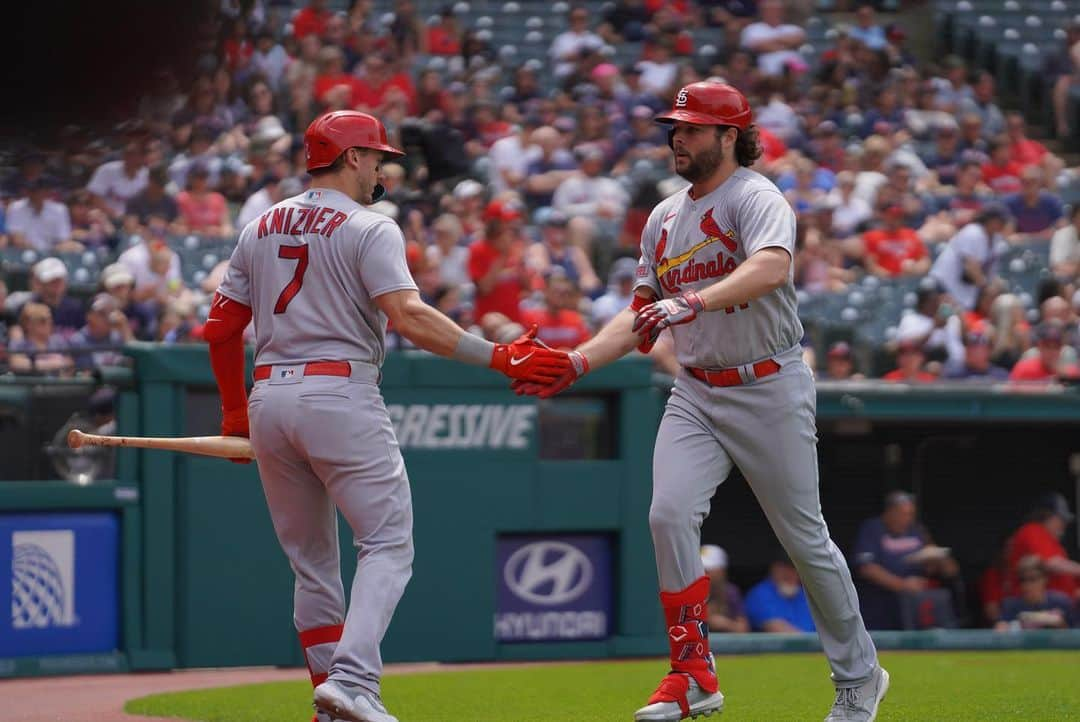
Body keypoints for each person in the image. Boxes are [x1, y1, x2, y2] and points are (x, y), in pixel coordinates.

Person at [513, 82, 887, 722]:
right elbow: (639, 317)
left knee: (804, 540)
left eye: (690, 127)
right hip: (696, 388)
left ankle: (858, 677)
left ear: (729, 135)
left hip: (768, 384)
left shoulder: (755, 195)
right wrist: (577, 361)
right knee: (667, 515)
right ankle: (693, 674)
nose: (676, 137)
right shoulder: (663, 217)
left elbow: (771, 266)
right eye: (674, 127)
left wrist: (693, 299)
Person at [205, 111, 571, 722]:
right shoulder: (369, 227)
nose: (381, 167)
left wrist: (235, 414)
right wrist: (500, 355)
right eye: (375, 157)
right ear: (351, 158)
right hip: (338, 392)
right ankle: (352, 681)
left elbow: (220, 329)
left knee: (313, 567)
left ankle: (330, 701)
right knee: (387, 543)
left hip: (270, 395)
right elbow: (410, 317)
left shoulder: (259, 225)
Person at [852, 492, 960, 630]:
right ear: (889, 512)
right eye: (902, 514)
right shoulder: (872, 529)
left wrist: (937, 561)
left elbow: (949, 570)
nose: (907, 519)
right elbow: (866, 568)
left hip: (913, 611)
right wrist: (902, 585)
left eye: (910, 514)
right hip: (880, 610)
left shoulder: (916, 531)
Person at [929, 204, 1009, 312]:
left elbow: (991, 273)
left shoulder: (996, 239)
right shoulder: (973, 232)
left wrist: (994, 286)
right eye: (1000, 221)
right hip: (943, 286)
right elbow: (970, 267)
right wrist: (986, 287)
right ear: (990, 220)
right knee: (948, 320)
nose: (1003, 224)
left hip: (963, 291)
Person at [1003, 492, 1080, 604]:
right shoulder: (1032, 530)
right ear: (1046, 516)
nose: (1064, 525)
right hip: (1031, 607)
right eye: (1061, 519)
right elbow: (1051, 563)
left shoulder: (1054, 543)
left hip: (1061, 609)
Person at [994, 555, 1075, 632]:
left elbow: (1075, 634)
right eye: (1023, 580)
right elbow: (1000, 631)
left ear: (1045, 578)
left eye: (1032, 579)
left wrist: (1060, 624)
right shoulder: (1011, 605)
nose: (1027, 585)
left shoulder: (1061, 602)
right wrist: (1011, 626)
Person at [744, 557, 816, 633]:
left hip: (817, 643)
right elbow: (775, 627)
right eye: (785, 568)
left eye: (794, 568)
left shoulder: (805, 594)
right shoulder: (759, 594)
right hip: (780, 644)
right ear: (774, 569)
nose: (789, 573)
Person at [700, 545, 749, 634]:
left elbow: (743, 629)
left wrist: (725, 624)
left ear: (721, 571)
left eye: (707, 570)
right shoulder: (690, 591)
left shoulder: (730, 592)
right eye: (700, 569)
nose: (702, 573)